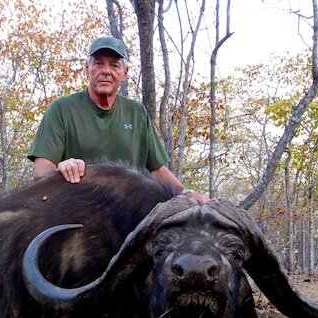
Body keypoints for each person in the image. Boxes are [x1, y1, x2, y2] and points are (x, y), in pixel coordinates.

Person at [28, 36, 208, 204]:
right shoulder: (62, 108)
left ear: (124, 73)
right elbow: (41, 171)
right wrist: (62, 169)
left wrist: (185, 193)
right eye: (98, 64)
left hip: (132, 214)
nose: (105, 71)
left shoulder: (137, 112)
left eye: (114, 65)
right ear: (86, 69)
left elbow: (157, 170)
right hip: (78, 211)